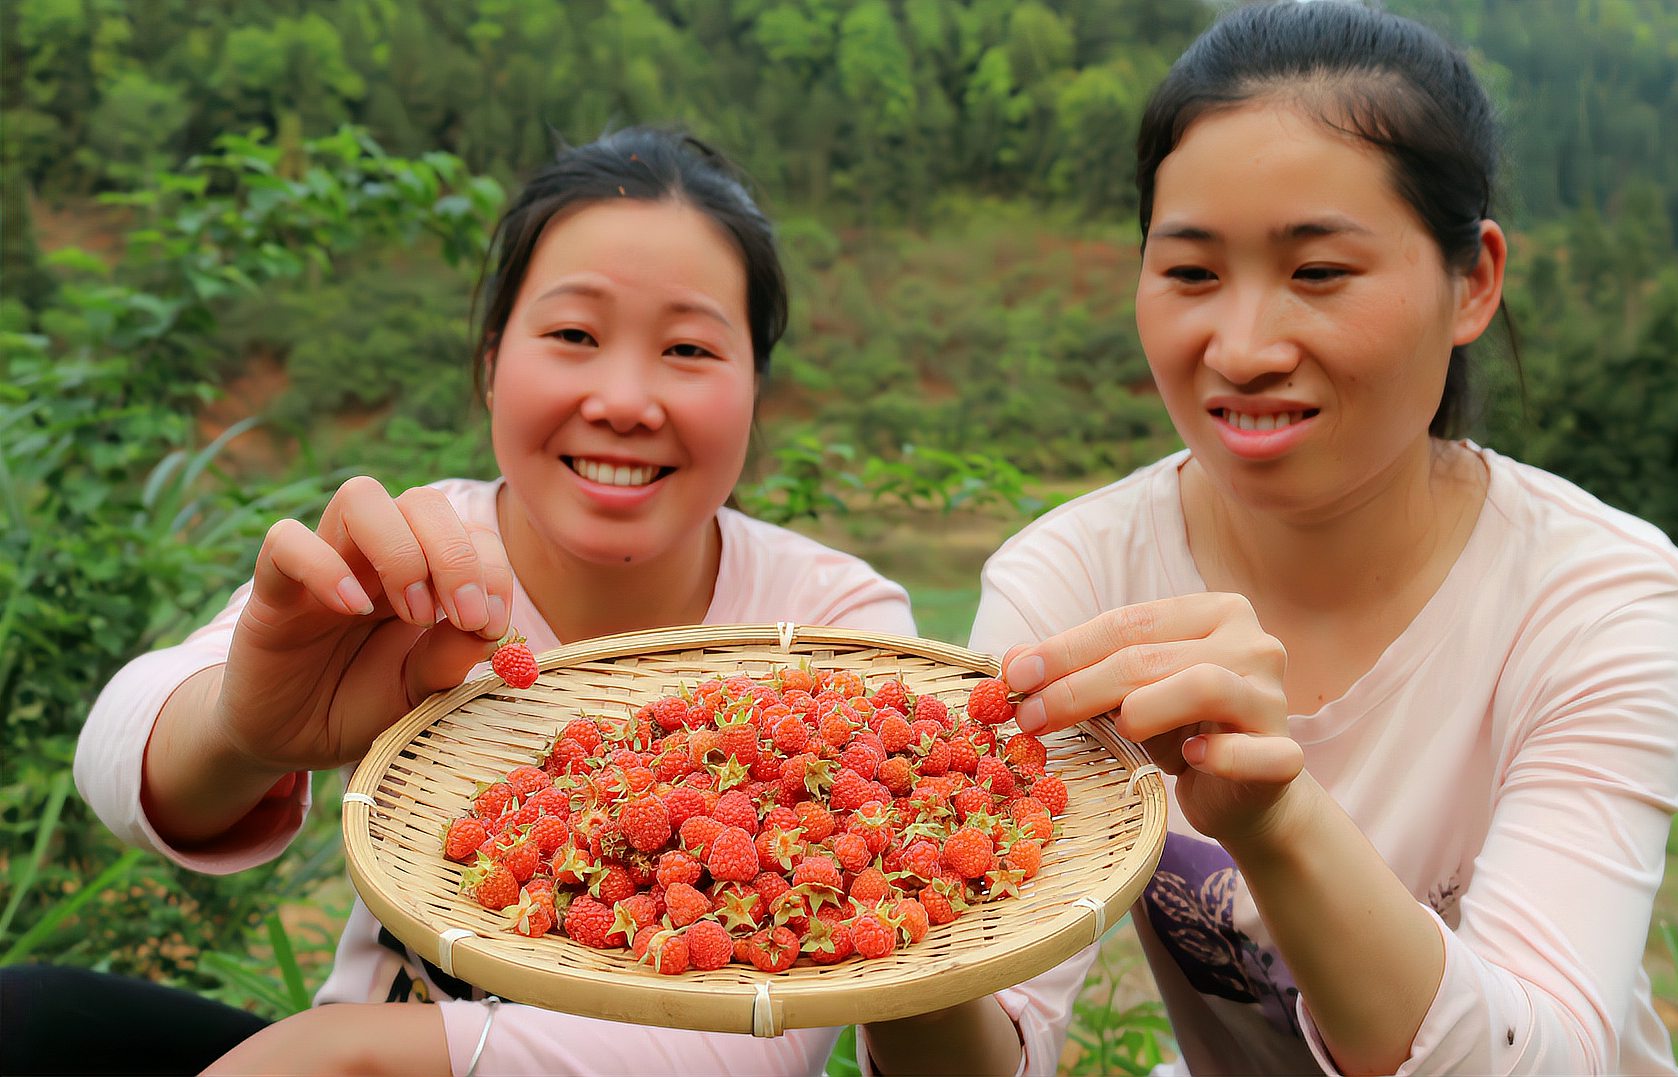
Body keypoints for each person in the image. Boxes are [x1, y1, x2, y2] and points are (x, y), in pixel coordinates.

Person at [14, 126, 1067, 1077]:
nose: (621, 398)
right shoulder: (418, 562)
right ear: (488, 364)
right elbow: (121, 755)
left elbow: (761, 1035)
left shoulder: (828, 624)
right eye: (572, 335)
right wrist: (244, 725)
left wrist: (362, 1052)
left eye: (691, 349)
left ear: (755, 389)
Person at [969, 3, 1678, 1074]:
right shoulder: (1074, 581)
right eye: (1189, 273)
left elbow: (1545, 1056)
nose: (1245, 346)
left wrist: (1277, 824)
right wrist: (902, 942)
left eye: (1319, 273)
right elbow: (994, 1035)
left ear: (1474, 283)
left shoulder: (1599, 595)